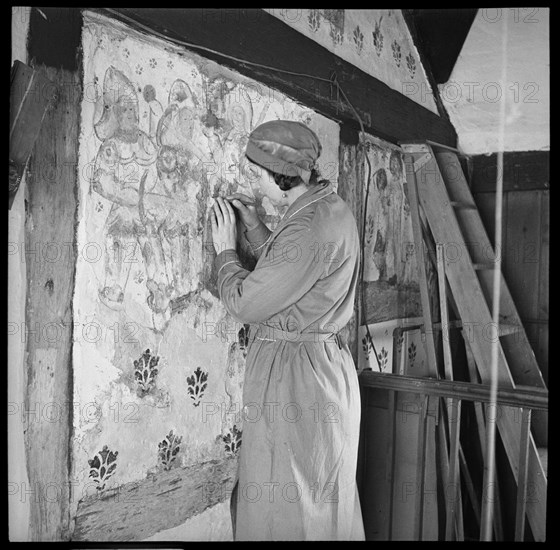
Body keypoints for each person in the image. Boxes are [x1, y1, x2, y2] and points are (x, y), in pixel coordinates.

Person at [210, 120, 365, 541]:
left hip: (298, 378)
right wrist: (257, 227)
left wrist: (225, 247)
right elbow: (295, 276)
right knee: (315, 502)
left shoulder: (311, 225)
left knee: (290, 507)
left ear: (284, 176)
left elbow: (248, 301)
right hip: (319, 369)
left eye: (259, 176)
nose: (256, 185)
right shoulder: (326, 207)